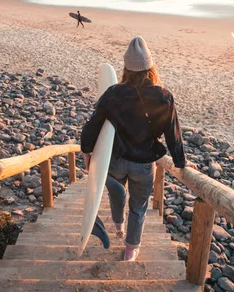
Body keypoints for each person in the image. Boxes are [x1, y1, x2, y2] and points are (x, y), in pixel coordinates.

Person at [81, 36, 197, 262]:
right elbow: (173, 134)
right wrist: (181, 162)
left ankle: (117, 224)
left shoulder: (113, 93)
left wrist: (88, 154)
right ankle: (130, 250)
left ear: (126, 68)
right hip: (144, 165)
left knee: (117, 195)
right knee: (139, 206)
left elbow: (92, 126)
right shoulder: (164, 97)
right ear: (150, 67)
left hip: (116, 161)